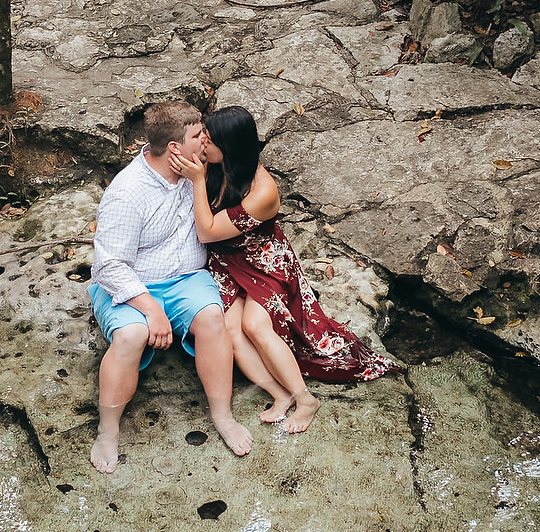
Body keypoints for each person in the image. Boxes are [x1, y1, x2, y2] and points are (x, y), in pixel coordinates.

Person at [174, 105, 392, 431]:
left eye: (210, 137)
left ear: (229, 146)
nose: (203, 141)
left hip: (264, 263)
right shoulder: (217, 164)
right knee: (229, 328)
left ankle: (305, 399)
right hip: (225, 261)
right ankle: (279, 393)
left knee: (255, 325)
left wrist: (196, 180)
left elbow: (206, 230)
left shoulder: (262, 192)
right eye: (203, 133)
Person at [88, 100, 253, 475]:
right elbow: (109, 265)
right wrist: (151, 309)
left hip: (188, 279)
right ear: (175, 148)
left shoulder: (199, 169)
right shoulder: (128, 192)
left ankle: (222, 416)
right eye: (198, 135)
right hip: (133, 283)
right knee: (131, 335)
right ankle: (108, 429)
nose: (206, 140)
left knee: (213, 319)